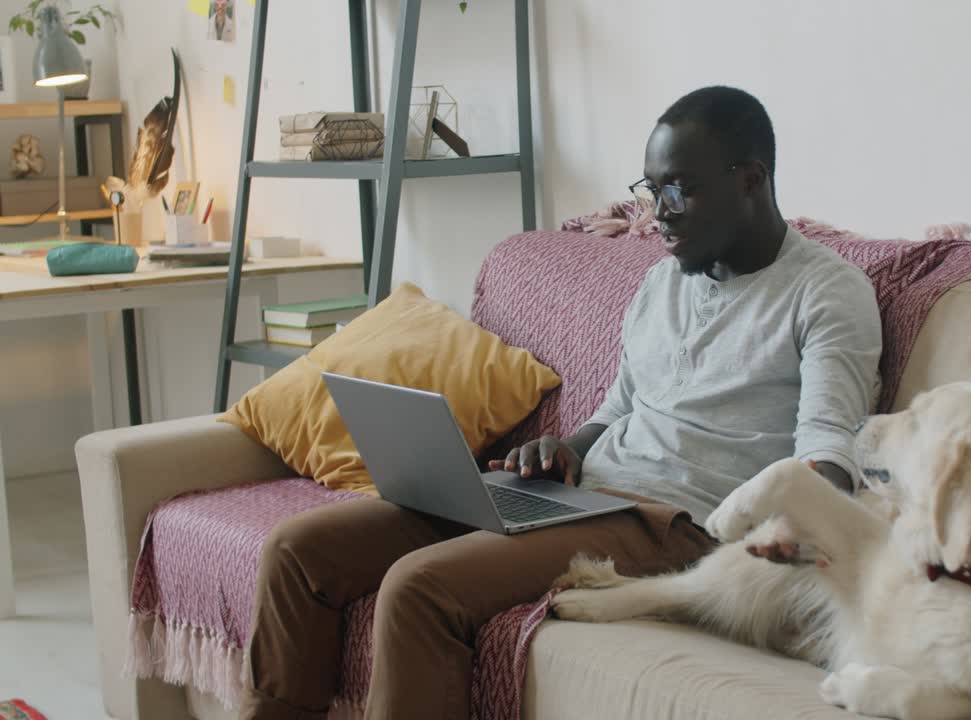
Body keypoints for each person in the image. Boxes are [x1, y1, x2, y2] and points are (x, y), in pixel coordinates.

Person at [239, 85, 882, 720]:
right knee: (298, 551)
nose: (659, 214)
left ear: (751, 178)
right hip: (579, 496)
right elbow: (618, 409)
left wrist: (800, 525)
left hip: (673, 523)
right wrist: (564, 449)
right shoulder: (662, 280)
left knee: (419, 588)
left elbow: (827, 449)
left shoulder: (825, 293)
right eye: (650, 190)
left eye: (678, 190)